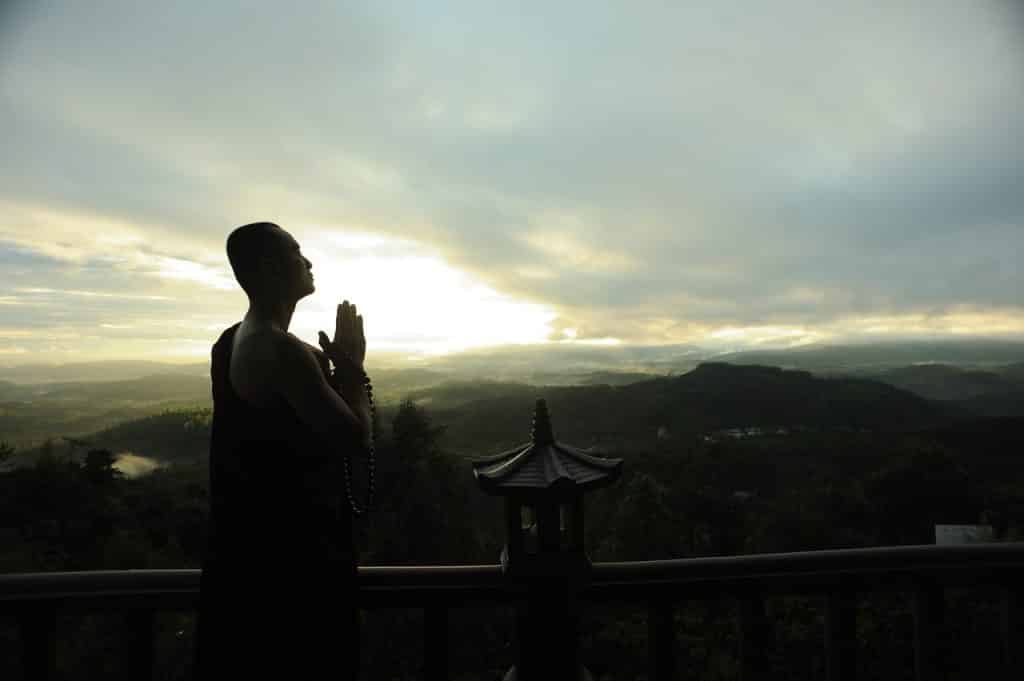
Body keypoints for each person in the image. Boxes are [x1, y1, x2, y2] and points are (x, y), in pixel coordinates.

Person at [194, 221, 373, 681]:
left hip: (245, 561)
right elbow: (352, 439)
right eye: (297, 252)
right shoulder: (280, 350)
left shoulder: (232, 340)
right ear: (271, 267)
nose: (308, 261)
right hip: (294, 571)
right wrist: (353, 370)